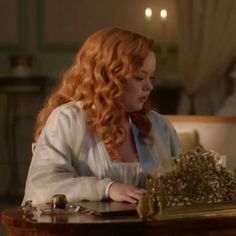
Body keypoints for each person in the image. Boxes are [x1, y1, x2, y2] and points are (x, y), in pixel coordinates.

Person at [23, 27, 181, 206]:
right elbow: (42, 185)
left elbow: (181, 187)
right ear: (109, 77)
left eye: (151, 78)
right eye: (139, 78)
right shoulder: (68, 120)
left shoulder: (158, 126)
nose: (149, 87)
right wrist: (107, 188)